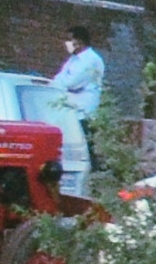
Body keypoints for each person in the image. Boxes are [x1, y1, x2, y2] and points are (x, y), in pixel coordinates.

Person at [41, 24, 109, 200]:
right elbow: (58, 80)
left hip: (84, 112)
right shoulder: (73, 60)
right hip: (70, 112)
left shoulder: (91, 60)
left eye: (70, 40)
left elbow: (72, 83)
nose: (67, 44)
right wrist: (59, 85)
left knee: (86, 150)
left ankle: (95, 187)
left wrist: (60, 85)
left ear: (78, 41)